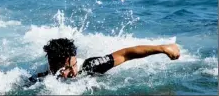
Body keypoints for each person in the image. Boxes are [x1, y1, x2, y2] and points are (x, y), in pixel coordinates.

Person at [30, 38, 180, 82]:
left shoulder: (91, 66)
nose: (62, 74)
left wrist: (162, 48)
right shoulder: (44, 76)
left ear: (72, 60)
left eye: (66, 69)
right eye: (56, 69)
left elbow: (126, 53)